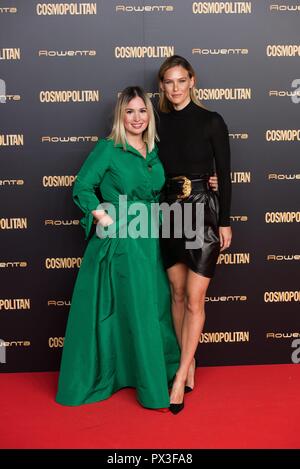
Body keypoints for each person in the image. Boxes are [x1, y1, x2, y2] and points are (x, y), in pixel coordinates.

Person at [56, 86, 181, 410]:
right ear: (120, 116)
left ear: (149, 116)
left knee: (151, 308)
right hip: (122, 240)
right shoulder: (109, 149)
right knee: (130, 308)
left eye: (142, 111)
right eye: (130, 112)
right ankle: (129, 381)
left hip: (151, 238)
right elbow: (83, 186)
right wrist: (102, 217)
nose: (136, 118)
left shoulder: (153, 151)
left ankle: (151, 373)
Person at [156, 55, 232, 413]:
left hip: (202, 210)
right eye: (168, 82)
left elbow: (225, 174)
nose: (175, 89)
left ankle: (180, 374)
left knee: (195, 300)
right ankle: (190, 362)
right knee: (177, 292)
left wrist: (225, 221)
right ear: (162, 85)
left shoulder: (212, 121)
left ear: (192, 81)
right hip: (169, 211)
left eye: (180, 81)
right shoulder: (156, 122)